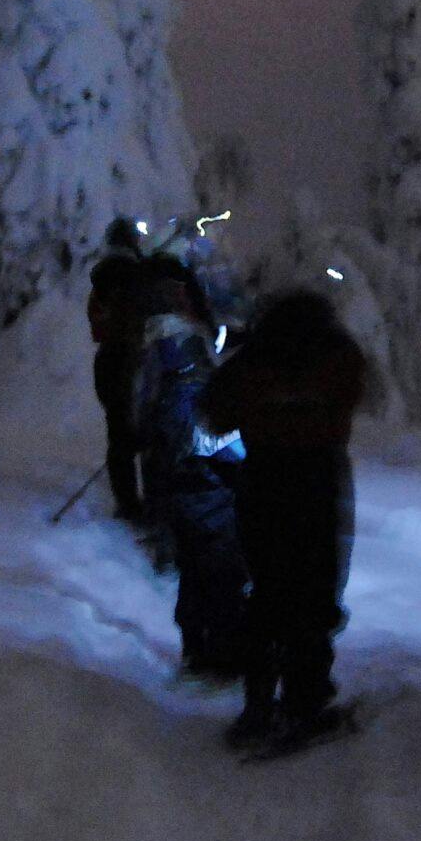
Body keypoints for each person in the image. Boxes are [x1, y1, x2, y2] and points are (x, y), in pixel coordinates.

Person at [201, 289, 368, 749]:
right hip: (319, 479)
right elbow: (355, 393)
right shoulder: (337, 355)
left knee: (269, 589)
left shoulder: (253, 360)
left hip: (264, 479)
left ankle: (258, 704)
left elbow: (214, 414)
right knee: (316, 588)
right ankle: (306, 697)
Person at [132, 253, 249, 680]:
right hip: (203, 476)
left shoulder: (155, 349)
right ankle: (219, 654)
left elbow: (143, 415)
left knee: (197, 565)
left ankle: (199, 647)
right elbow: (210, 428)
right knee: (217, 564)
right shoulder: (185, 353)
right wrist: (241, 457)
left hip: (177, 473)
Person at [86, 216, 154, 522]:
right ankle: (149, 505)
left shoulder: (100, 282)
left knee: (120, 433)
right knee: (149, 434)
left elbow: (97, 327)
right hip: (138, 360)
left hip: (108, 362)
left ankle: (127, 502)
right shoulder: (140, 277)